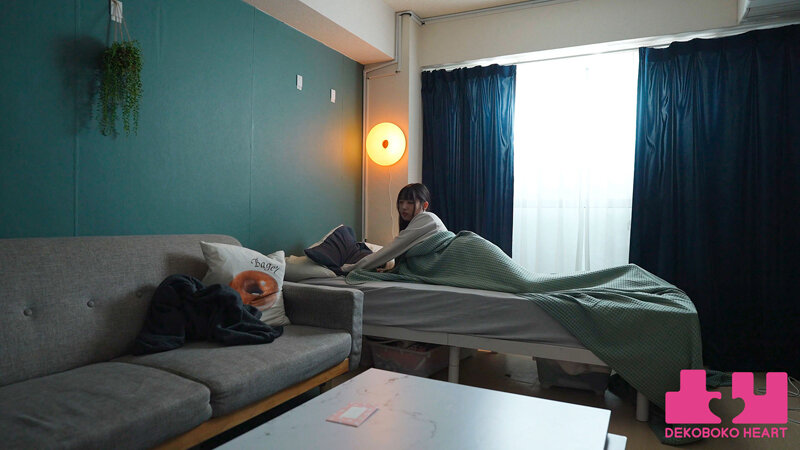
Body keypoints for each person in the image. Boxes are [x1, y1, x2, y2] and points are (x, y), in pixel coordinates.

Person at [341, 183, 447, 273]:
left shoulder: (428, 218)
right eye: (401, 202)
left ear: (425, 205)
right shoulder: (416, 224)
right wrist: (391, 271)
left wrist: (349, 268)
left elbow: (390, 251)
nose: (403, 207)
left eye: (410, 203)